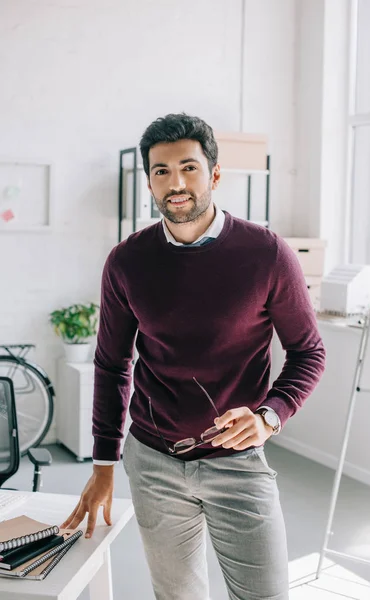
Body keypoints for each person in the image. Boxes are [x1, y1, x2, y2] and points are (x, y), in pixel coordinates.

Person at [61, 113, 326, 600]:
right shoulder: (127, 261)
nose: (175, 183)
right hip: (153, 462)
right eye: (161, 171)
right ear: (149, 181)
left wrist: (271, 415)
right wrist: (103, 464)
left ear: (215, 174)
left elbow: (308, 351)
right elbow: (112, 364)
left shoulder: (267, 254)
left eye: (188, 167)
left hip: (238, 462)